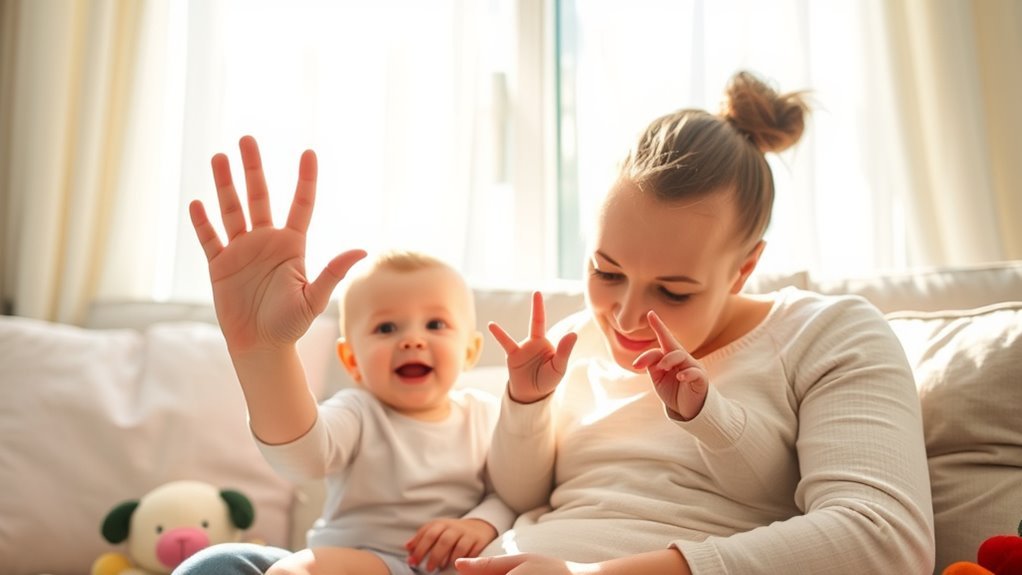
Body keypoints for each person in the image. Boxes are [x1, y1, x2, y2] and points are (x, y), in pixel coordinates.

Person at [453, 70, 935, 574]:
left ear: (743, 269)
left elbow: (885, 542)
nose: (624, 315)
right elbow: (519, 491)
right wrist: (525, 404)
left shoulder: (828, 334)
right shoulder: (573, 344)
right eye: (606, 270)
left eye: (673, 290)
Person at [176, 137, 513, 575]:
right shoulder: (359, 412)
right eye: (386, 328)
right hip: (357, 560)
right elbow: (302, 458)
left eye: (435, 325)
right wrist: (266, 352)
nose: (412, 341)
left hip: (444, 567)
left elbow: (518, 493)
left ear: (470, 351)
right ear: (351, 361)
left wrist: (483, 523)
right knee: (218, 564)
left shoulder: (486, 415)